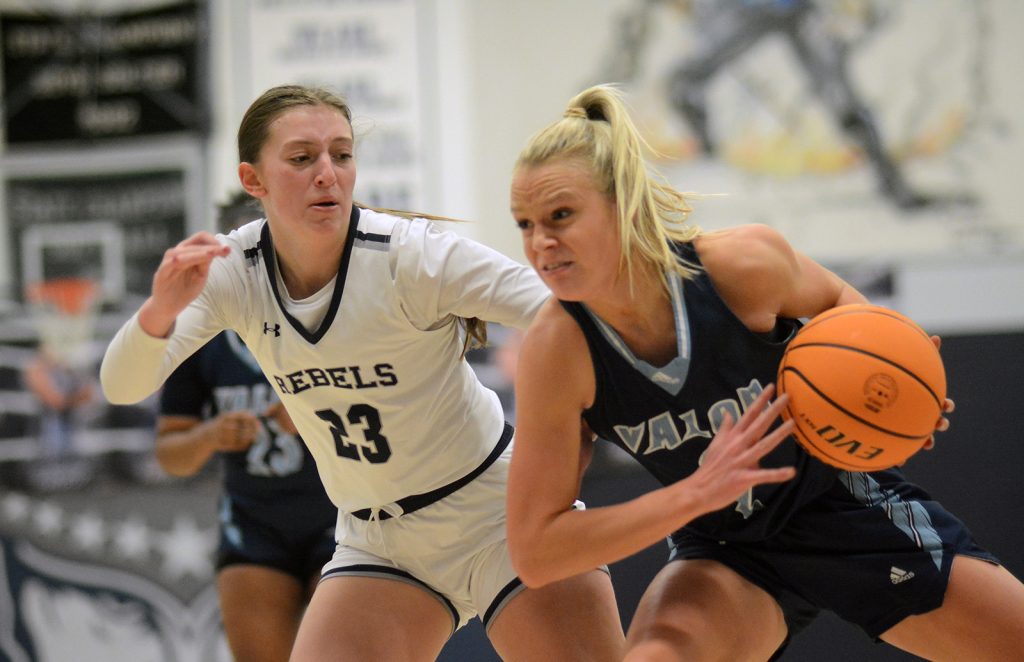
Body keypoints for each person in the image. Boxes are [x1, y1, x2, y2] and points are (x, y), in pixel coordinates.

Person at [100, 84, 624, 661]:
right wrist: (158, 311)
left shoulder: (411, 257)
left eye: (342, 155)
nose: (327, 173)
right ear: (255, 181)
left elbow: (575, 318)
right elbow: (121, 385)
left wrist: (576, 426)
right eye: (302, 158)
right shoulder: (234, 273)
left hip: (497, 513)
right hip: (379, 542)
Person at [505, 83, 1024, 661]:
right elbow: (537, 549)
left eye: (560, 216)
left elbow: (844, 307)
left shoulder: (739, 267)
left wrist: (900, 393)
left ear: (623, 203)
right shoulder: (558, 350)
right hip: (726, 547)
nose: (540, 243)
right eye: (524, 223)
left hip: (841, 503)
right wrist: (694, 495)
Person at [153, 191, 337, 662]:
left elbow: (393, 417)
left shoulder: (335, 312)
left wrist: (318, 414)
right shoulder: (198, 335)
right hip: (253, 522)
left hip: (342, 517)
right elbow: (171, 455)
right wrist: (209, 435)